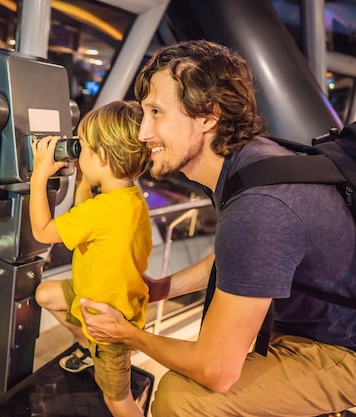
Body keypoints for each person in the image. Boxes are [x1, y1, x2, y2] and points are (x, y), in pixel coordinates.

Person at [79, 39, 356, 416]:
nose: (144, 132)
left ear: (208, 115)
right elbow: (241, 260)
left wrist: (128, 335)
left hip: (345, 347)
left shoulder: (261, 205)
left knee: (181, 398)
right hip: (314, 322)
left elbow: (215, 371)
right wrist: (160, 288)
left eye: (156, 112)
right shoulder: (253, 162)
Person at [30, 100, 152, 417]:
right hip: (98, 297)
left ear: (103, 157)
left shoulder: (102, 211)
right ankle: (85, 347)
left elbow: (43, 231)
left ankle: (93, 347)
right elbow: (83, 212)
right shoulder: (128, 198)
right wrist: (85, 177)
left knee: (118, 400)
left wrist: (38, 177)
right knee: (45, 294)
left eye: (82, 148)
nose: (77, 154)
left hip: (109, 327)